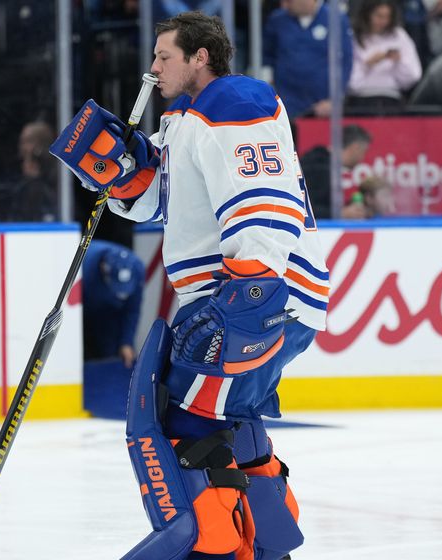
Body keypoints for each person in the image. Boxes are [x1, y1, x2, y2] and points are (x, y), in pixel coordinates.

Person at [53, 11, 329, 560]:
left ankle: (216, 551)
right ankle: (268, 545)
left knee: (183, 426)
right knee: (230, 421)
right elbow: (160, 200)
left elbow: (264, 198)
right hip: (253, 297)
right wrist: (126, 174)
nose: (152, 68)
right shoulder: (185, 119)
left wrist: (250, 292)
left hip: (256, 295)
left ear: (200, 57)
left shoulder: (236, 102)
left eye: (164, 56)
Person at [263, 0, 353, 119]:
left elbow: (345, 62)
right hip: (286, 101)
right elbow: (266, 57)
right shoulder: (277, 19)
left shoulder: (336, 19)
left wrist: (335, 99)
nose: (284, 5)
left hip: (322, 103)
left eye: (289, 1)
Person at [347, 0, 423, 111]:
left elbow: (414, 76)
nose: (383, 21)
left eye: (387, 17)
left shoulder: (399, 36)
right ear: (367, 13)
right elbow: (350, 82)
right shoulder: (352, 36)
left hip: (391, 98)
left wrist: (399, 62)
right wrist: (367, 64)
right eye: (379, 16)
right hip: (361, 100)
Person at [82, 240, 145, 368]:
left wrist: (126, 342)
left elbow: (132, 310)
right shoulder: (83, 266)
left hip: (110, 313)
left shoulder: (138, 269)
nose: (120, 295)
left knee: (113, 351)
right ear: (104, 268)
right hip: (84, 306)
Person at [301, 124, 373, 219]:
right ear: (355, 148)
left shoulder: (324, 164)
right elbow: (305, 208)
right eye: (363, 151)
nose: (362, 158)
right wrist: (342, 214)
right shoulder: (319, 168)